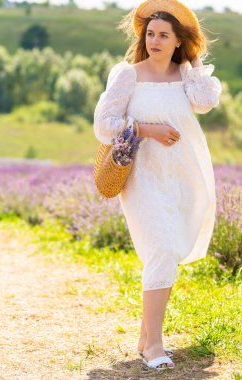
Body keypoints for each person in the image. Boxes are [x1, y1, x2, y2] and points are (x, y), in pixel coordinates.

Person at [93, 0, 222, 371]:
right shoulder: (127, 74)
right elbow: (104, 125)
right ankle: (155, 345)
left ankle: (145, 335)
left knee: (167, 252)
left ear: (179, 40)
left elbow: (205, 102)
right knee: (162, 248)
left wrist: (194, 62)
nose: (155, 40)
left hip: (182, 176)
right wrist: (147, 129)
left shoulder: (187, 75)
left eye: (164, 35)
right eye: (150, 33)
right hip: (142, 178)